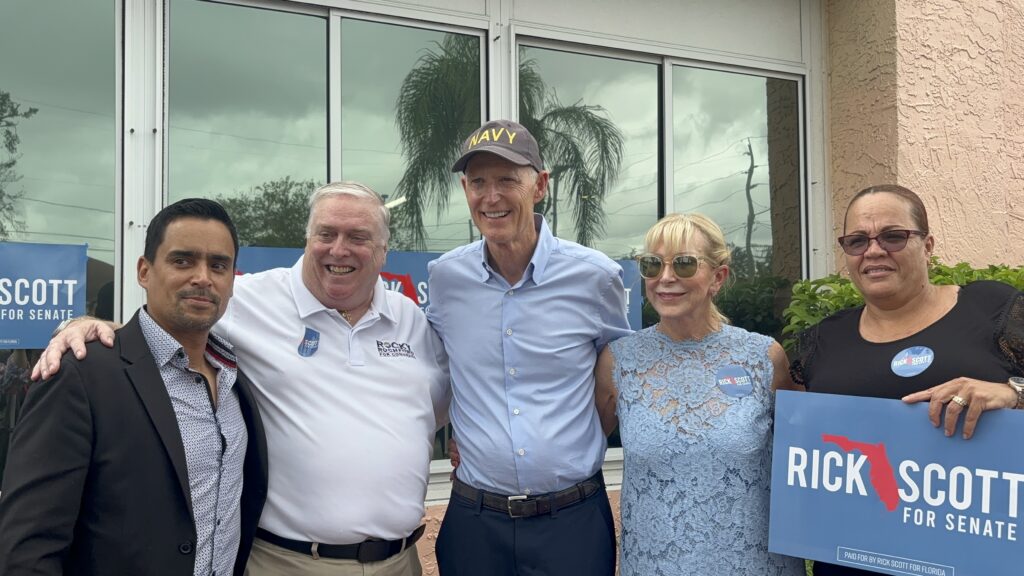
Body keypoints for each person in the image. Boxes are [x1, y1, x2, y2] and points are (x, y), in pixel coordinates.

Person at [31, 182, 451, 576]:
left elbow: (433, 407)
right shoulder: (248, 300)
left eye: (357, 237)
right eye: (326, 233)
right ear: (307, 240)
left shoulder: (409, 319)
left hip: (401, 562)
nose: (338, 249)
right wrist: (89, 324)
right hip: (288, 563)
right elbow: (166, 321)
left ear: (382, 251)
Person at [0, 198, 268, 576]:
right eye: (183, 260)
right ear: (144, 271)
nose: (203, 277)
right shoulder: (80, 375)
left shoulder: (237, 377)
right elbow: (29, 545)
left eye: (218, 265)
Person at [427, 119, 631, 575]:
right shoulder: (445, 279)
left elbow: (613, 386)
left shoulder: (595, 277)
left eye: (506, 180)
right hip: (475, 523)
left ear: (539, 186)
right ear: (465, 190)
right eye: (478, 181)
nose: (491, 196)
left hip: (571, 522)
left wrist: (560, 446)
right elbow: (439, 370)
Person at [791, 183, 1024, 576]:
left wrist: (1012, 393)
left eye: (894, 236)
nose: (874, 251)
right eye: (857, 241)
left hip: (980, 560)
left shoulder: (994, 309)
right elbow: (799, 445)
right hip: (855, 562)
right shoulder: (822, 340)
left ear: (928, 245)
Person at [593, 212, 805, 576]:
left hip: (757, 565)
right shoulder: (618, 361)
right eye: (652, 264)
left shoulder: (764, 358)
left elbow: (804, 454)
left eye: (685, 264)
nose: (666, 278)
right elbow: (578, 444)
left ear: (717, 277)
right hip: (655, 566)